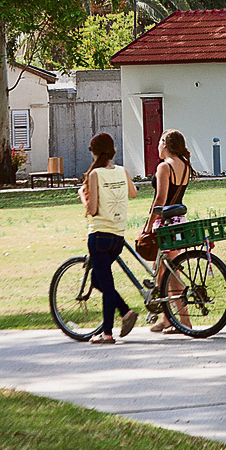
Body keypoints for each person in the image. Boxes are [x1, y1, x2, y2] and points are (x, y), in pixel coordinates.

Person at [78, 132, 139, 344]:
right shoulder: (122, 171)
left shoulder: (95, 175)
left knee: (107, 284)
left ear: (94, 153)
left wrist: (82, 197)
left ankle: (107, 332)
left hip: (99, 235)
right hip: (117, 236)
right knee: (98, 279)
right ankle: (125, 311)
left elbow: (93, 209)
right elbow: (134, 193)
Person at [145, 128, 195, 334]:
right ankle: (166, 318)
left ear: (165, 144)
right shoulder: (184, 165)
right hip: (179, 221)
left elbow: (160, 200)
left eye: (159, 142)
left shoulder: (164, 167)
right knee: (163, 270)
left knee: (172, 273)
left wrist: (148, 225)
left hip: (166, 223)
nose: (157, 146)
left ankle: (184, 321)